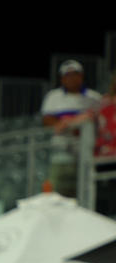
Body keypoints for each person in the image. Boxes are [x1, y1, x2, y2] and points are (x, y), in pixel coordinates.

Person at [41, 59, 102, 197]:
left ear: (81, 76)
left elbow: (97, 121)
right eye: (67, 75)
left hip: (86, 154)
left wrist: (68, 123)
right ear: (62, 78)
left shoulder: (94, 97)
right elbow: (47, 120)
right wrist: (73, 124)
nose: (71, 78)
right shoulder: (53, 97)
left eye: (75, 74)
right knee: (58, 193)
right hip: (61, 154)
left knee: (85, 192)